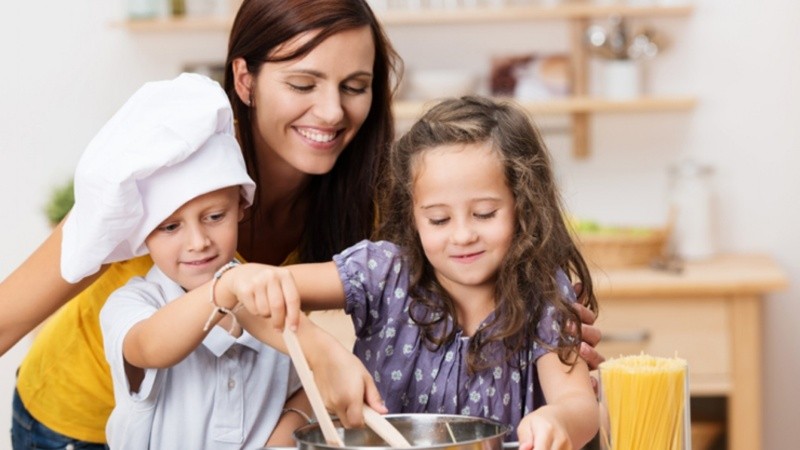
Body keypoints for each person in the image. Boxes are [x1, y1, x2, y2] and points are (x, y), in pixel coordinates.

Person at [1, 0, 602, 448]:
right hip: (79, 420)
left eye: (355, 86)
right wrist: (313, 346)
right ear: (245, 79)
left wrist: (539, 321)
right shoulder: (171, 169)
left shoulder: (373, 198)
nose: (333, 111)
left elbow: (456, 287)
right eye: (302, 83)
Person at [240, 96, 601, 450]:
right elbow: (245, 291)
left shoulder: (541, 293)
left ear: (523, 206)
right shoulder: (383, 273)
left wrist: (557, 420)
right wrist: (321, 351)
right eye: (438, 219)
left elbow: (578, 405)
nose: (462, 235)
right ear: (412, 216)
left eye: (485, 214)